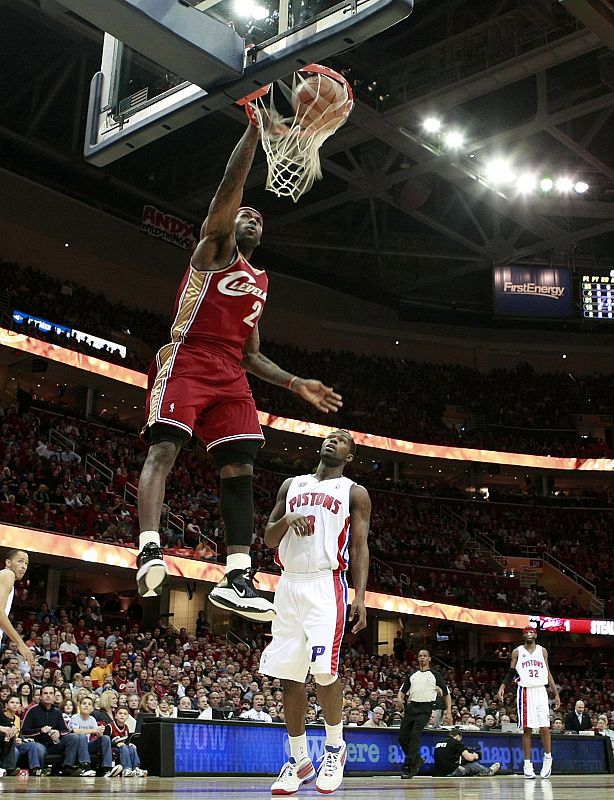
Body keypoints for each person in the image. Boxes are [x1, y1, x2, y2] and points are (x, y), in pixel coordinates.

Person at [136, 121, 343, 616]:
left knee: (241, 467)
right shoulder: (213, 249)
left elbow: (250, 354)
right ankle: (148, 548)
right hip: (187, 355)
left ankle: (237, 574)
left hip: (231, 370)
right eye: (245, 215)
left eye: (259, 220)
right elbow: (228, 192)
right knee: (165, 448)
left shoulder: (260, 282)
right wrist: (254, 133)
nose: (251, 219)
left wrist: (295, 383)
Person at [259, 430, 370, 795]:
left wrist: (361, 596)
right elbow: (269, 538)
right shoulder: (292, 484)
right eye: (329, 437)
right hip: (288, 584)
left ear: (350, 455)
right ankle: (299, 758)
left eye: (341, 440)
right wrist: (288, 519)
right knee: (291, 676)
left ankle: (335, 747)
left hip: (327, 584)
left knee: (323, 670)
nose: (333, 441)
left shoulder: (354, 491)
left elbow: (359, 545)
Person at [496, 625, 560, 779]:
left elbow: (548, 672)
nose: (529, 634)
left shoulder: (542, 651)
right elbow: (511, 672)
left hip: (540, 690)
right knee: (527, 729)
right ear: (523, 636)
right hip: (524, 691)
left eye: (531, 632)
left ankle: (548, 759)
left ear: (536, 635)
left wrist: (556, 693)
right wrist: (503, 686)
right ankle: (527, 764)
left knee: (545, 727)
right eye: (526, 632)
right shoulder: (517, 651)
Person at [397, 649, 452, 779]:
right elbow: (402, 691)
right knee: (402, 738)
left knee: (415, 735)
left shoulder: (435, 675)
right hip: (411, 707)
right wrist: (400, 699)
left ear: (429, 659)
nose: (422, 658)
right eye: (420, 656)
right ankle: (417, 759)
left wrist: (448, 711)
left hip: (425, 708)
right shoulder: (413, 675)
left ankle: (409, 767)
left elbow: (446, 694)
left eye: (425, 656)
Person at [21, 685, 86, 776]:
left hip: (54, 744)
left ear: (54, 696)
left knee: (73, 737)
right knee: (38, 748)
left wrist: (58, 732)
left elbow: (66, 731)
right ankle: (39, 771)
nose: (48, 696)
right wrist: (40, 730)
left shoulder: (57, 712)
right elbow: (24, 731)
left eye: (51, 693)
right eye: (45, 693)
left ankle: (68, 767)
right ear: (40, 696)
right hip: (38, 743)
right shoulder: (32, 711)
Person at [68, 695, 122, 777]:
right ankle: (85, 767)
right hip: (77, 746)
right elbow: (76, 731)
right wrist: (94, 730)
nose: (86, 705)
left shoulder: (92, 719)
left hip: (88, 745)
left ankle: (107, 768)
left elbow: (98, 734)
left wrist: (100, 732)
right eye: (84, 703)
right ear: (79, 706)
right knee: (82, 736)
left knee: (105, 738)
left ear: (92, 708)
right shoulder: (75, 717)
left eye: (89, 704)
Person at [0, 549, 35, 668]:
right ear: (8, 563)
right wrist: (20, 643)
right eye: (20, 561)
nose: (24, 566)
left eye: (26, 563)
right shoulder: (7, 574)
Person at [433, 728, 501, 777]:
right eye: (460, 739)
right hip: (451, 772)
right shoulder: (455, 742)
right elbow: (469, 758)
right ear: (458, 736)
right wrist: (475, 755)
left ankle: (478, 774)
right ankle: (488, 771)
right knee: (473, 765)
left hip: (438, 773)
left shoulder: (439, 743)